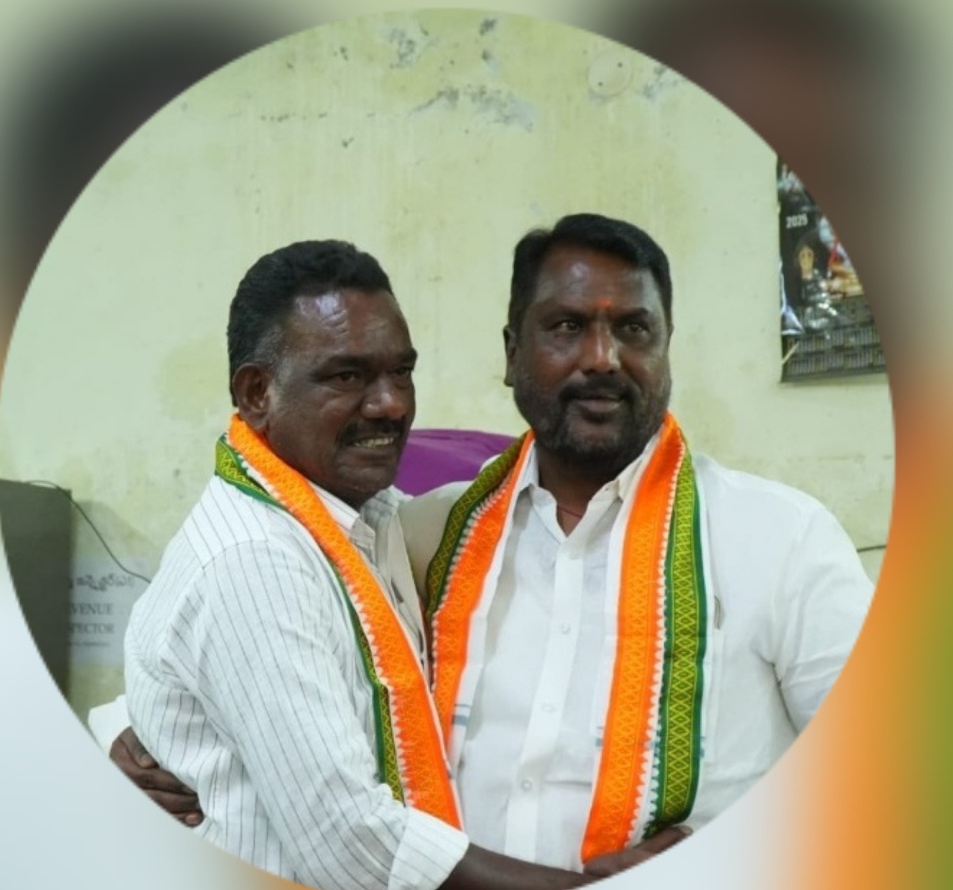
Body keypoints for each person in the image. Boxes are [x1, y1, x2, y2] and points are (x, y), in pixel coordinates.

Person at [101, 212, 871, 869]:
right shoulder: (428, 533)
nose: (602, 358)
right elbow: (243, 648)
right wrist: (134, 740)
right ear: (511, 353)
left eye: (634, 329)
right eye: (566, 327)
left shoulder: (784, 540)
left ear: (667, 351)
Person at [117, 237, 686, 890]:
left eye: (401, 372)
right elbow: (346, 841)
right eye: (347, 376)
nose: (390, 404)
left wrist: (138, 725)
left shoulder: (385, 520)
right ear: (256, 392)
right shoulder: (258, 559)